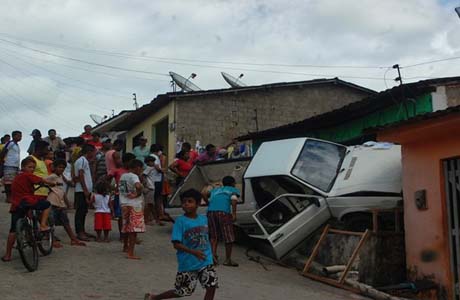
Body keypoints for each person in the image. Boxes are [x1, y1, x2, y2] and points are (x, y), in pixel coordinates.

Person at [144, 189, 217, 300]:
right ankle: (154, 297)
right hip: (188, 263)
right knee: (183, 291)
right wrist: (194, 252)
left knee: (211, 286)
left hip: (205, 260)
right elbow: (176, 244)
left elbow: (208, 238)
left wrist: (212, 255)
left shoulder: (203, 219)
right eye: (184, 202)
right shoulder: (180, 221)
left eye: (190, 201)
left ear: (197, 204)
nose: (186, 204)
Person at [2, 157, 55, 262]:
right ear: (23, 167)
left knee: (13, 230)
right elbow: (41, 180)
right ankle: (43, 225)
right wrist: (52, 184)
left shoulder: (17, 177)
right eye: (29, 167)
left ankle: (7, 255)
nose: (31, 169)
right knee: (47, 204)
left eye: (33, 168)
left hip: (16, 205)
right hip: (27, 200)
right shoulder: (28, 175)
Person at [46, 159, 86, 246]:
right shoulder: (51, 177)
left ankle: (73, 239)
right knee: (51, 223)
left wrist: (67, 203)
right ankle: (52, 240)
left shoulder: (60, 177)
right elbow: (43, 183)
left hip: (60, 203)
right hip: (52, 202)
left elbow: (62, 192)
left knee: (66, 222)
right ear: (54, 167)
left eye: (63, 168)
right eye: (59, 167)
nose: (61, 169)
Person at [204, 176, 240, 267]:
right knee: (228, 236)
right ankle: (228, 260)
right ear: (233, 183)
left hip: (211, 212)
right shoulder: (232, 189)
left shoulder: (216, 190)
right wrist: (234, 213)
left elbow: (204, 194)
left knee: (213, 235)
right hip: (223, 212)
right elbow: (234, 199)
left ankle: (212, 256)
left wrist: (208, 203)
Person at [119, 159, 145, 259]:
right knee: (133, 230)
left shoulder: (123, 176)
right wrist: (138, 193)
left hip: (124, 203)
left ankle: (125, 246)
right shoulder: (134, 176)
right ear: (137, 167)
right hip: (134, 205)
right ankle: (131, 252)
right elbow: (138, 186)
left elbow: (122, 190)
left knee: (126, 227)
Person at [74, 144, 96, 241]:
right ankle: (79, 232)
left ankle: (82, 230)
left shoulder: (85, 161)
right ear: (89, 152)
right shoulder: (82, 160)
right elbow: (81, 175)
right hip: (81, 190)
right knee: (80, 212)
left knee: (84, 211)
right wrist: (85, 190)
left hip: (84, 190)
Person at [111, 152, 135, 240]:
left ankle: (129, 234)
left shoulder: (131, 172)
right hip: (120, 196)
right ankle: (122, 235)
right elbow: (106, 179)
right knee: (121, 216)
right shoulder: (118, 171)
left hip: (130, 196)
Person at [0, 131, 22, 203]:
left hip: (15, 165)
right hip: (9, 164)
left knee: (13, 182)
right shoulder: (10, 143)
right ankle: (8, 197)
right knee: (8, 182)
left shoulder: (17, 145)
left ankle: (12, 197)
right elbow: (3, 151)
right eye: (18, 136)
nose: (20, 137)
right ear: (14, 136)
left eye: (20, 136)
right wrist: (2, 161)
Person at [149, 144, 165, 225]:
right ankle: (156, 217)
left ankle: (157, 216)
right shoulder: (154, 157)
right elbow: (156, 167)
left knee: (157, 198)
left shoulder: (152, 156)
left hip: (155, 180)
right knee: (156, 199)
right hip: (155, 180)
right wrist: (162, 170)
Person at [143, 156, 156, 225]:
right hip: (150, 188)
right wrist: (146, 185)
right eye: (151, 161)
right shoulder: (149, 168)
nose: (153, 163)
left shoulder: (152, 168)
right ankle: (146, 219)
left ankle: (150, 218)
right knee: (148, 204)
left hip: (151, 187)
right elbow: (144, 175)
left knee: (150, 204)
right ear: (148, 162)